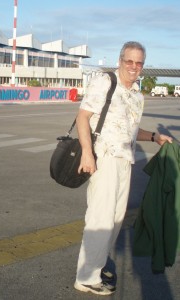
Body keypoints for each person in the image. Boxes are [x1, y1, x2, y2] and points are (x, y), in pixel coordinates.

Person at [74, 41, 173, 296]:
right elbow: (83, 116)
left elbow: (130, 131)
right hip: (104, 158)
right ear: (120, 60)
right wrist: (87, 153)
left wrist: (154, 137)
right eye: (129, 61)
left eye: (139, 63)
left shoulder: (137, 96)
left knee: (116, 218)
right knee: (101, 217)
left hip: (125, 161)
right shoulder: (105, 82)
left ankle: (97, 263)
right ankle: (86, 277)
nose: (134, 66)